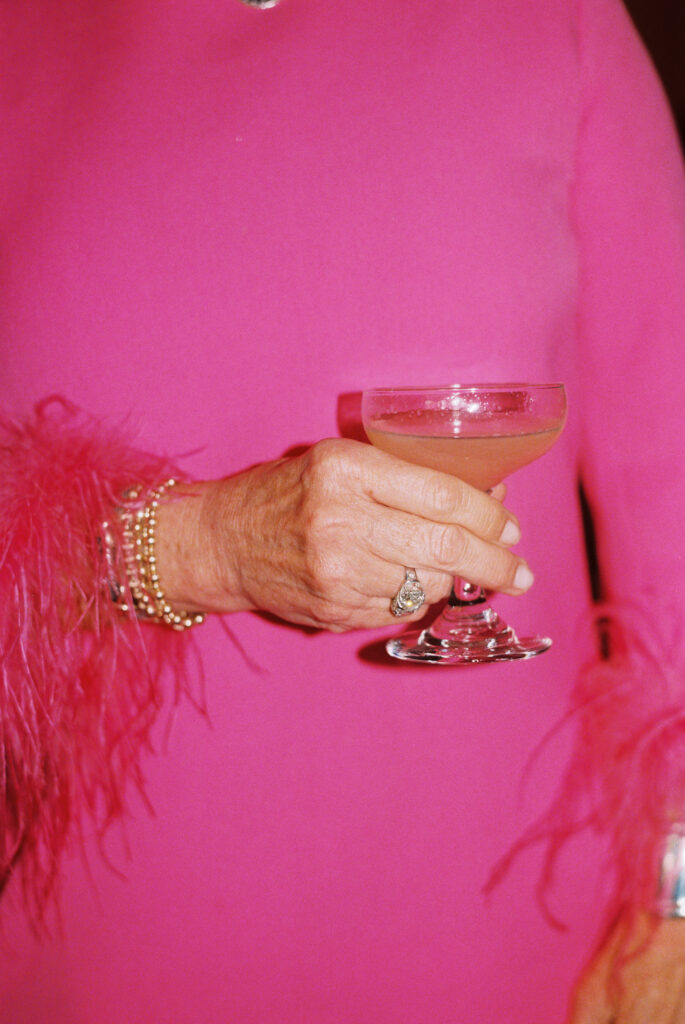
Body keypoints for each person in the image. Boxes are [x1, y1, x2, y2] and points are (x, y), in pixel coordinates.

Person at [0, 1, 683, 1021]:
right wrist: (198, 546)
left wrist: (676, 912)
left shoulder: (553, 24)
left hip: (521, 954)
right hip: (87, 958)